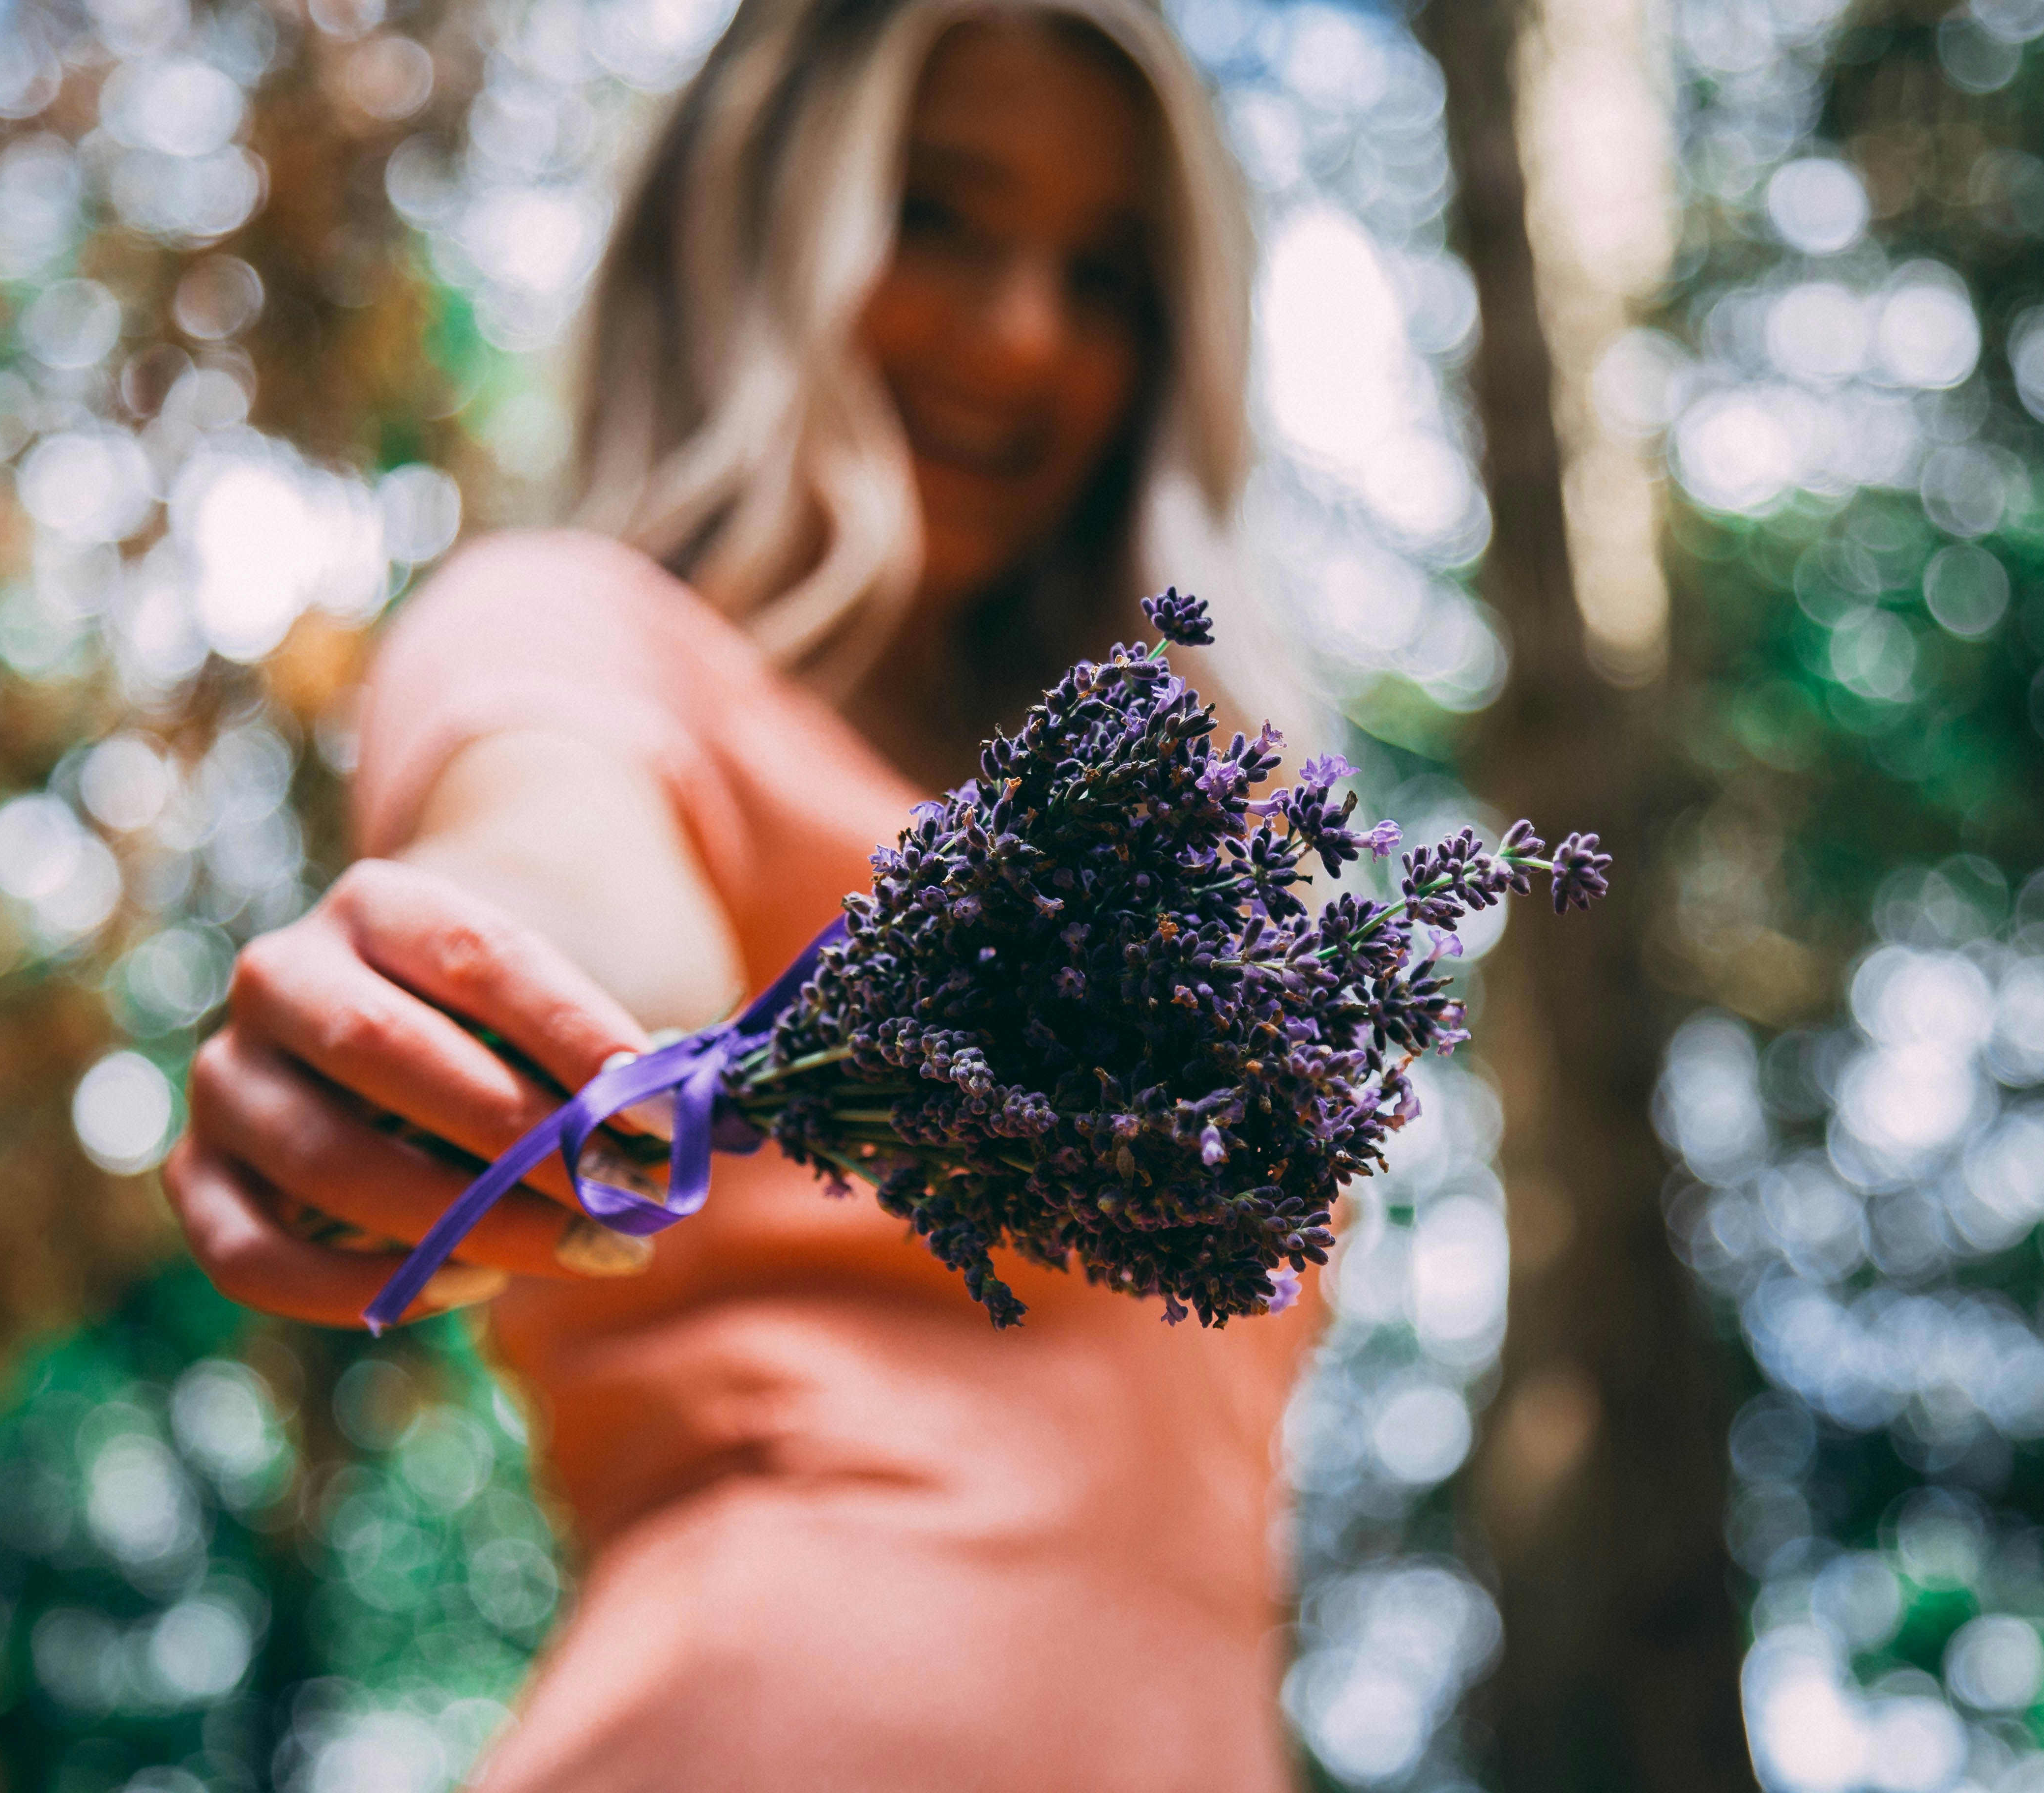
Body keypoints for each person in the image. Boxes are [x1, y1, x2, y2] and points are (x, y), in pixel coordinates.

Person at [163, 0, 1315, 1785]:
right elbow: (565, 876)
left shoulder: (1145, 857)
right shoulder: (582, 627)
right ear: (757, 229)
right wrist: (453, 1013)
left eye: (1106, 274)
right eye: (937, 215)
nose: (1024, 336)